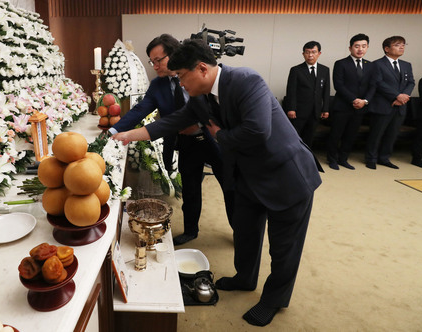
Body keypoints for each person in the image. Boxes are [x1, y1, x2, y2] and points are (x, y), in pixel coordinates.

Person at [112, 39, 321, 327]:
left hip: (285, 175)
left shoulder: (246, 80)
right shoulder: (200, 98)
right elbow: (169, 123)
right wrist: (124, 135)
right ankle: (245, 278)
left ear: (201, 69)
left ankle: (273, 299)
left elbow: (259, 130)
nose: (181, 85)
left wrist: (219, 134)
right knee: (246, 234)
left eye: (182, 77)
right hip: (248, 176)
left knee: (284, 247)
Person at [109, 34, 232, 245]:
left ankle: (239, 230)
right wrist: (114, 131)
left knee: (230, 187)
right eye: (152, 61)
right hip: (187, 143)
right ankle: (191, 231)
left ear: (173, 55)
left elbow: (214, 106)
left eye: (159, 60)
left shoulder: (196, 75)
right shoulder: (158, 86)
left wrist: (206, 125)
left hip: (212, 140)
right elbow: (140, 110)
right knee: (191, 189)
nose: (155, 66)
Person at [326, 34, 378, 170]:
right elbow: (339, 85)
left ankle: (343, 159)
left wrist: (365, 101)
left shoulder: (371, 66)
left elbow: (373, 86)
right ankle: (331, 159)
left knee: (351, 135)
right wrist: (354, 99)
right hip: (342, 106)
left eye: (363, 46)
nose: (360, 49)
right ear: (350, 48)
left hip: (360, 108)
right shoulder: (341, 63)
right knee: (336, 134)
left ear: (367, 47)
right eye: (357, 46)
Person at [365, 36, 415, 169]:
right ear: (387, 49)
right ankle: (371, 158)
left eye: (403, 45)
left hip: (400, 106)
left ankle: (384, 158)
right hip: (382, 105)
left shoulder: (406, 65)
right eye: (397, 45)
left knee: (392, 134)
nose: (402, 47)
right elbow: (378, 83)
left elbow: (411, 82)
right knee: (376, 134)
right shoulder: (376, 64)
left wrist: (404, 96)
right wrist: (396, 96)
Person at [284, 41, 330, 148]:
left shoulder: (325, 70)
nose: (310, 55)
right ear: (303, 54)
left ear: (319, 53)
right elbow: (291, 91)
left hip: (315, 111)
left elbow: (326, 91)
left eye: (313, 52)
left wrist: (325, 109)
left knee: (309, 137)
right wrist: (291, 108)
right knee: (294, 136)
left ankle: (306, 158)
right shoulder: (296, 70)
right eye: (307, 52)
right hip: (298, 111)